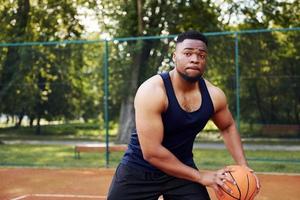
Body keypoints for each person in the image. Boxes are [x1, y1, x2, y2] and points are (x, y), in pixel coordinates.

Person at [107, 30, 259, 200]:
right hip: (140, 170)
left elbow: (228, 126)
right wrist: (201, 176)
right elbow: (152, 152)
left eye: (201, 55)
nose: (195, 59)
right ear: (174, 56)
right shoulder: (152, 91)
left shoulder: (214, 95)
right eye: (188, 53)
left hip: (181, 170)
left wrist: (243, 166)